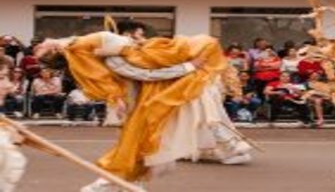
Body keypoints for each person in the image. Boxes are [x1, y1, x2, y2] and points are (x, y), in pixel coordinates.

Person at [34, 21, 254, 191]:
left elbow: (74, 42)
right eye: (129, 38)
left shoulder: (92, 49)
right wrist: (189, 66)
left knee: (145, 143)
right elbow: (148, 74)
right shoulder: (113, 59)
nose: (131, 39)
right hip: (157, 99)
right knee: (142, 143)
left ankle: (125, 183)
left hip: (165, 96)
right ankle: (111, 184)